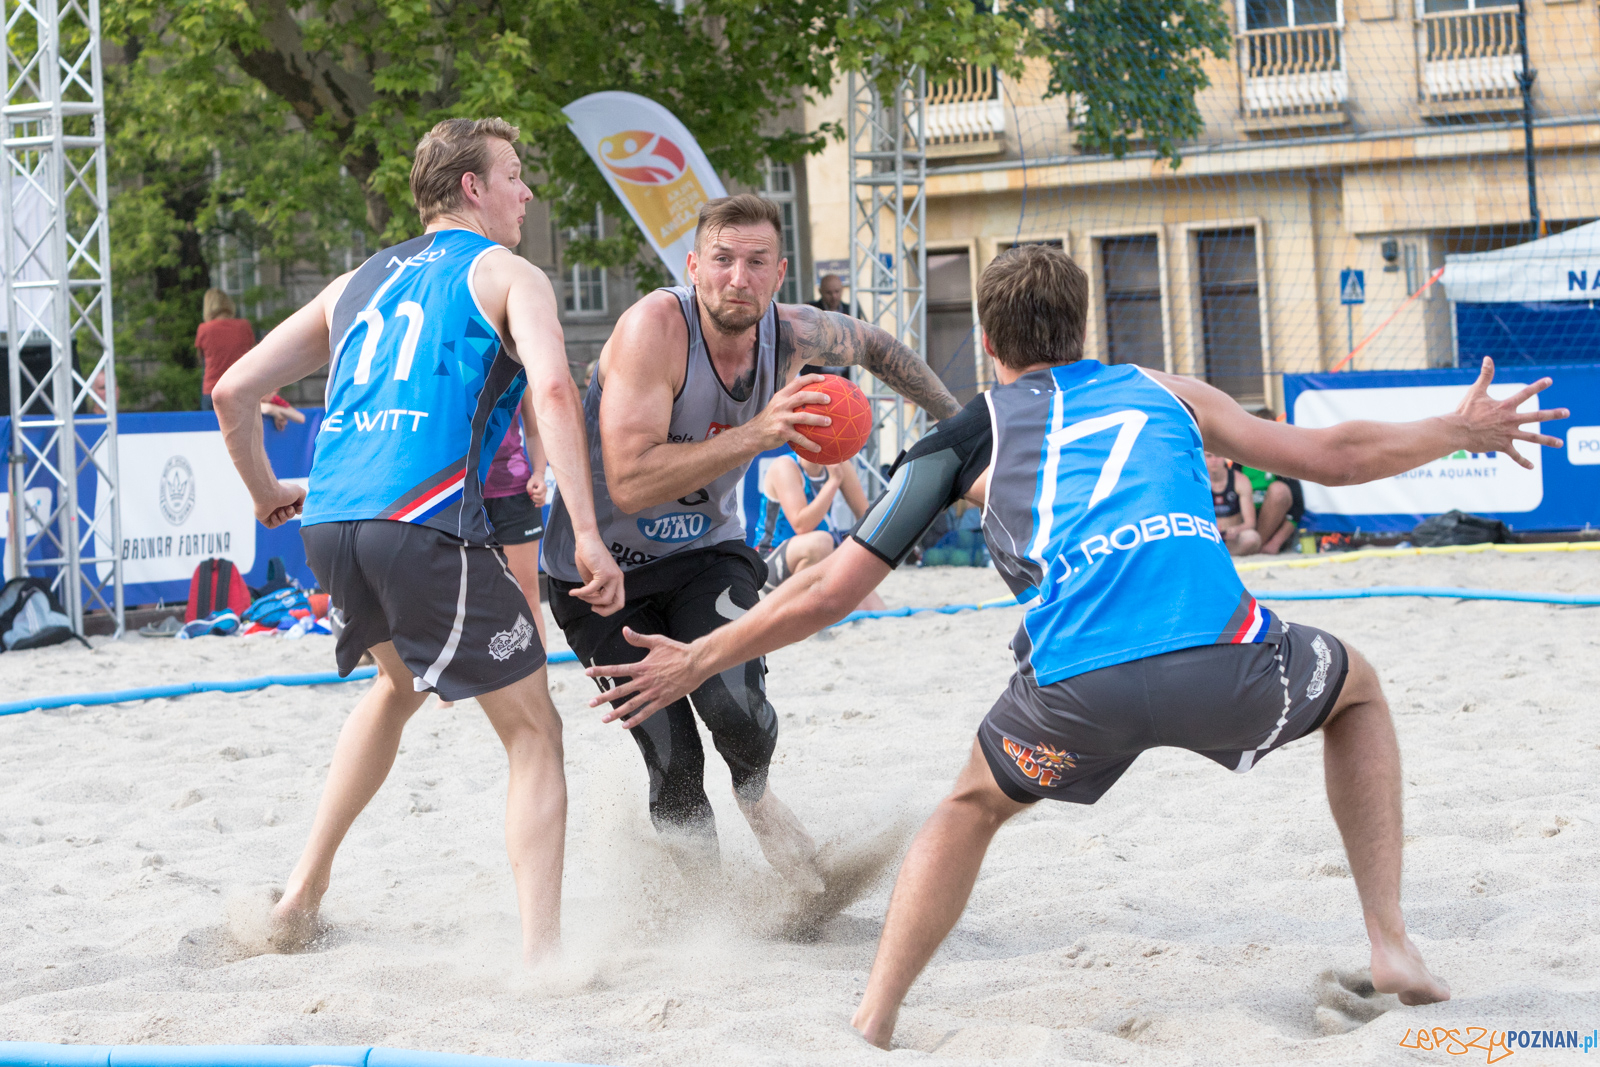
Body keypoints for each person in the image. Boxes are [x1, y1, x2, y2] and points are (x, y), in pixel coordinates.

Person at [582, 244, 1568, 1046]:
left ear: (985, 339)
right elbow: (1338, 456)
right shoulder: (1168, 391)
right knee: (1356, 691)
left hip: (1073, 698)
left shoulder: (966, 435)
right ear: (1084, 326)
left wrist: (697, 657)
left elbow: (836, 588)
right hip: (1229, 664)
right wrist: (1456, 426)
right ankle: (1391, 941)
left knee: (969, 805)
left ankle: (876, 1013)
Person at [211, 116, 624, 962]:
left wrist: (267, 496)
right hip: (421, 520)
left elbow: (233, 390)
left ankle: (301, 893)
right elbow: (551, 385)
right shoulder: (509, 273)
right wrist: (586, 529)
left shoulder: (357, 279)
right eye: (515, 174)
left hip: (331, 523)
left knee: (396, 688)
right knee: (535, 728)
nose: (528, 191)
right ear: (472, 188)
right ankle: (543, 958)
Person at [541, 193, 959, 884]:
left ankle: (759, 796)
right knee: (673, 758)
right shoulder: (654, 327)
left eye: (756, 262)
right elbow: (630, 481)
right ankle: (712, 912)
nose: (739, 277)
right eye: (723, 260)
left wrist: (962, 429)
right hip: (600, 577)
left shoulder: (794, 333)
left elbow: (879, 346)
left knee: (733, 707)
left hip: (706, 554)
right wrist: (758, 433)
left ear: (779, 270)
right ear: (693, 266)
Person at [756, 454, 885, 610]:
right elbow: (802, 526)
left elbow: (867, 518)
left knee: (876, 609)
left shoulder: (840, 464)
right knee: (820, 543)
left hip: (820, 559)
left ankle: (813, 606)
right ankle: (794, 610)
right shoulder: (785, 466)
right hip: (768, 564)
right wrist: (833, 481)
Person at [196, 289, 257, 410]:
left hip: (212, 388)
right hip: (240, 387)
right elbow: (252, 354)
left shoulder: (204, 329)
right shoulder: (244, 326)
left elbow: (200, 359)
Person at [1206, 451, 1262, 555]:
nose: (1214, 460)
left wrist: (1236, 530)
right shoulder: (1198, 482)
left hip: (1233, 539)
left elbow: (1250, 523)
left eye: (1218, 455)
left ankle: (1225, 556)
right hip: (1208, 537)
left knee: (1252, 538)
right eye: (1209, 456)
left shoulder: (1240, 480)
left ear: (1225, 457)